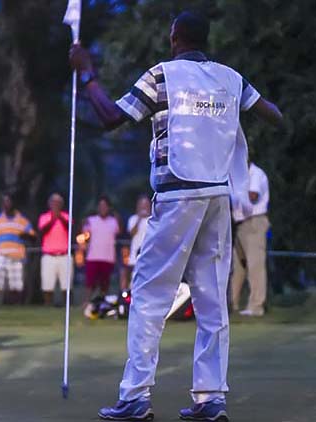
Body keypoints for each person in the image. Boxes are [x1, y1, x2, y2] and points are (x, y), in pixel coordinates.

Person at [69, 10, 282, 421]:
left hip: (178, 194)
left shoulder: (162, 75)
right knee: (211, 301)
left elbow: (113, 116)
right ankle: (210, 398)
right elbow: (273, 114)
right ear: (204, 39)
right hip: (218, 198)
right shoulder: (231, 78)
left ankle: (135, 397)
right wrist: (234, 107)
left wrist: (88, 73)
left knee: (149, 295)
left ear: (173, 38)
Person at [230, 162, 270, 317]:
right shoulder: (236, 176)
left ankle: (256, 306)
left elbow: (253, 196)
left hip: (254, 222)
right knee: (237, 268)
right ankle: (232, 304)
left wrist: (231, 195)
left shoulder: (255, 174)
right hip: (240, 224)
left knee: (255, 266)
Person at [0, 194, 36, 305]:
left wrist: (25, 236)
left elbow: (33, 236)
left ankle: (15, 306)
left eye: (8, 202)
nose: (6, 204)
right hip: (2, 255)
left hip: (17, 256)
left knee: (16, 284)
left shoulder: (22, 221)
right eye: (4, 202)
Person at [82, 196, 121, 303]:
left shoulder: (113, 221)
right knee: (90, 283)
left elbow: (119, 232)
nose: (102, 208)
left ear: (108, 208)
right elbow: (84, 236)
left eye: (105, 206)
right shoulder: (91, 220)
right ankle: (86, 302)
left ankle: (101, 303)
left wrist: (117, 218)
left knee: (104, 284)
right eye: (101, 206)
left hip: (108, 257)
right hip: (93, 256)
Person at [38, 193, 72, 306]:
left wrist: (60, 217)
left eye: (58, 203)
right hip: (49, 255)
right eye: (53, 202)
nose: (55, 205)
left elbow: (70, 228)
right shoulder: (44, 217)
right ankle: (48, 305)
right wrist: (53, 218)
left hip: (64, 255)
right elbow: (43, 231)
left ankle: (66, 306)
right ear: (49, 204)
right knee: (47, 284)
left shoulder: (66, 216)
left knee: (66, 285)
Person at [121, 195, 152, 291]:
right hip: (135, 255)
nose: (144, 207)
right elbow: (131, 233)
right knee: (134, 278)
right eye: (141, 205)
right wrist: (139, 219)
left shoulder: (153, 219)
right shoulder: (133, 219)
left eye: (146, 204)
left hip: (149, 254)